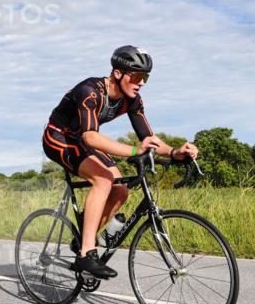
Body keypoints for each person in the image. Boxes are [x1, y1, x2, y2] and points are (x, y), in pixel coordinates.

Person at [42, 45, 199, 279]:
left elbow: (148, 139)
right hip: (58, 137)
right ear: (117, 73)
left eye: (145, 77)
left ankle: (83, 238)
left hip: (83, 140)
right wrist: (135, 150)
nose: (142, 82)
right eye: (136, 76)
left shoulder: (131, 99)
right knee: (103, 180)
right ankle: (87, 253)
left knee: (121, 189)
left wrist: (175, 152)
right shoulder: (91, 91)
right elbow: (91, 137)